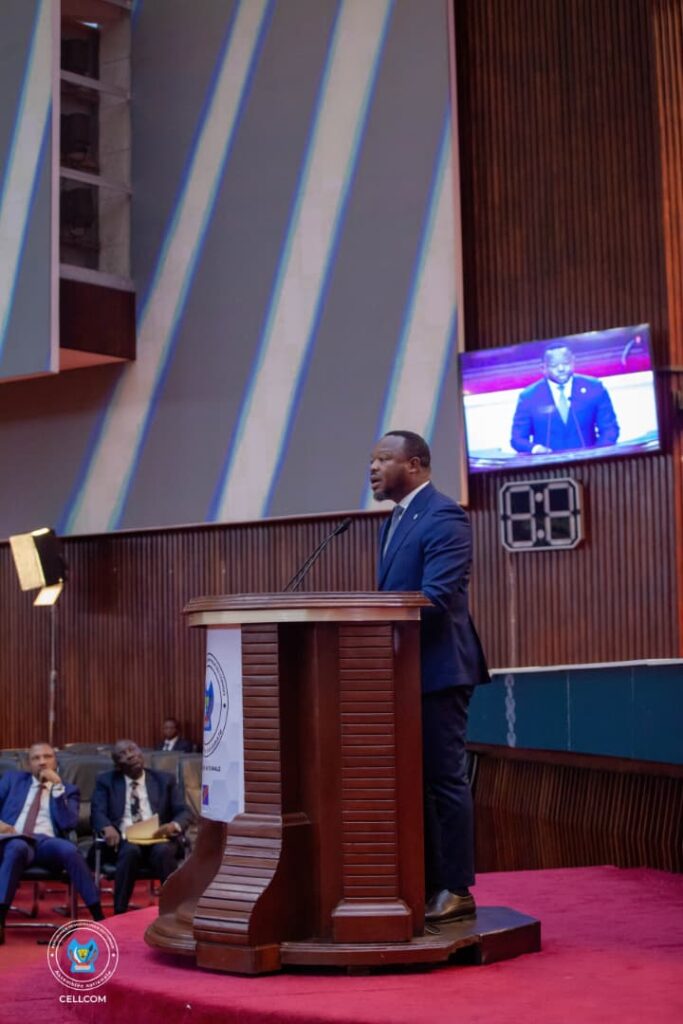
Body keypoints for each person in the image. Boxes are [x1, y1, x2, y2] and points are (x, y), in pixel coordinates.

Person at [370, 430, 490, 923]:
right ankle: (425, 882)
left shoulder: (443, 516)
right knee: (413, 783)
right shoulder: (396, 520)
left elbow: (436, 597)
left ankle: (456, 888)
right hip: (404, 674)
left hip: (438, 671)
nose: (373, 468)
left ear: (415, 464)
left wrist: (372, 619)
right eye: (372, 460)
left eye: (383, 459)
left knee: (444, 780)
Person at [0, 742, 103, 943]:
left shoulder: (69, 790)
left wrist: (57, 789)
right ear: (28, 764)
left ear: (56, 762)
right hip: (16, 838)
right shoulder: (13, 780)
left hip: (47, 843)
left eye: (47, 757)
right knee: (16, 847)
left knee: (70, 850)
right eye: (36, 758)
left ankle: (98, 916)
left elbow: (68, 823)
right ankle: (0, 919)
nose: (42, 762)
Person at [90, 739, 190, 914]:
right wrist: (106, 826)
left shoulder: (164, 780)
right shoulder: (106, 781)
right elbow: (97, 811)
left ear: (141, 753)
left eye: (132, 750)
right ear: (117, 765)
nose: (130, 755)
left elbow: (184, 812)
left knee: (163, 852)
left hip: (159, 838)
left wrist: (173, 825)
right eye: (122, 754)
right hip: (125, 840)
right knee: (130, 851)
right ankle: (119, 912)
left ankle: (174, 910)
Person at [510, 344, 620, 453]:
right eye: (554, 365)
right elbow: (517, 439)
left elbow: (610, 430)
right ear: (543, 368)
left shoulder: (594, 387)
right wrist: (535, 449)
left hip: (588, 460)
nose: (561, 369)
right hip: (548, 462)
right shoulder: (529, 397)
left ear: (573, 362)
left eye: (566, 363)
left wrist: (597, 454)